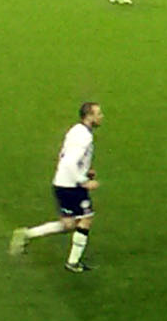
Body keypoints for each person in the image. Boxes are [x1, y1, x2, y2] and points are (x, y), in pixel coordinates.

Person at [9, 102, 103, 272]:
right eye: (98, 113)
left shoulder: (76, 130)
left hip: (61, 182)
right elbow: (69, 162)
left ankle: (27, 234)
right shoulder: (85, 137)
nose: (101, 117)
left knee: (69, 225)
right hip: (71, 185)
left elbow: (64, 155)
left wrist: (85, 171)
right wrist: (84, 181)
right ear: (89, 116)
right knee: (86, 218)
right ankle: (73, 263)